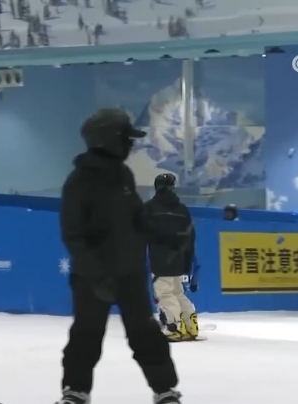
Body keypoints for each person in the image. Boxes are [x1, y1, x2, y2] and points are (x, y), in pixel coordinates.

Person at [58, 108, 182, 404]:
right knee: (86, 334)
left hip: (130, 273)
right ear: (109, 139)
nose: (130, 145)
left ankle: (165, 390)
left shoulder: (122, 175)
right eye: (127, 139)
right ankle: (75, 391)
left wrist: (162, 236)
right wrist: (96, 277)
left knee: (146, 333)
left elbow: (137, 217)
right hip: (92, 277)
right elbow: (73, 235)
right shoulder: (80, 181)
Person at [143, 174, 200, 342]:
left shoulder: (150, 207)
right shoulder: (182, 209)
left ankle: (173, 327)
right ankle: (191, 326)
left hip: (160, 258)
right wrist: (187, 261)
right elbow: (190, 236)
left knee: (164, 293)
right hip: (179, 259)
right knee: (177, 292)